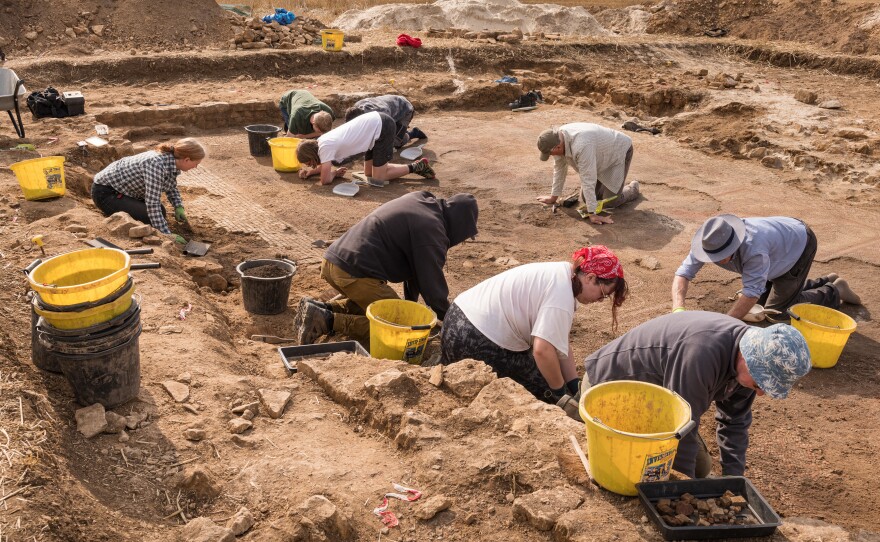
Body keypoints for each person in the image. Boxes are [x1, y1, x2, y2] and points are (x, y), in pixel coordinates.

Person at [568, 311, 811, 478]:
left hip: (657, 397)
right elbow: (680, 429)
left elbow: (734, 423)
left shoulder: (746, 362)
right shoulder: (702, 354)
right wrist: (682, 493)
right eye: (761, 383)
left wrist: (734, 482)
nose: (760, 393)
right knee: (644, 473)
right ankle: (576, 412)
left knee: (700, 467)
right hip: (611, 388)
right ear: (748, 358)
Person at [440, 245, 628, 403]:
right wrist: (560, 395)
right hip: (473, 338)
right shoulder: (561, 295)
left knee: (549, 372)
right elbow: (542, 350)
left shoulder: (562, 274)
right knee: (544, 388)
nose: (601, 300)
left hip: (456, 319)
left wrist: (573, 384)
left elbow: (559, 344)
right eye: (603, 294)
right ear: (591, 278)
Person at [294, 191, 478, 346]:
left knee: (383, 307)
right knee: (398, 325)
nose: (460, 241)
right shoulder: (432, 233)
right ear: (460, 225)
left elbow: (417, 272)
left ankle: (321, 308)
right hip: (354, 273)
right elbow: (433, 289)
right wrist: (452, 321)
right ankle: (328, 321)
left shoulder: (422, 201)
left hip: (334, 263)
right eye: (464, 236)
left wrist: (409, 306)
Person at [672, 214, 862, 321]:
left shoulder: (754, 249)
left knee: (777, 312)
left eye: (722, 256)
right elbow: (683, 274)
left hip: (797, 247)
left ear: (735, 245)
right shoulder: (710, 240)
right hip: (778, 247)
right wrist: (678, 308)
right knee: (759, 306)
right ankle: (825, 280)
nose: (716, 260)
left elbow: (752, 292)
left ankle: (835, 290)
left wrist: (726, 323)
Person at [91, 138, 204, 242]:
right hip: (106, 193)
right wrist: (167, 234)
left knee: (161, 211)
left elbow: (170, 185)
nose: (196, 167)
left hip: (124, 190)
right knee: (148, 217)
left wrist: (178, 206)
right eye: (196, 164)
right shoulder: (156, 164)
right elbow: (152, 203)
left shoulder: (170, 160)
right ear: (187, 159)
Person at [535, 123, 641, 225]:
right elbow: (559, 169)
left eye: (550, 153)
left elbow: (588, 179)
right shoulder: (557, 139)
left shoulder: (581, 146)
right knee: (587, 198)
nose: (551, 156)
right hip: (597, 157)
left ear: (558, 147)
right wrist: (553, 197)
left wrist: (592, 214)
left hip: (617, 151)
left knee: (610, 202)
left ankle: (633, 189)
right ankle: (606, 188)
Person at [296, 111, 435, 186]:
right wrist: (310, 173)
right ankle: (394, 167)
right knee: (368, 173)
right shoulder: (321, 143)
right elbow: (325, 168)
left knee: (379, 177)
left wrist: (334, 174)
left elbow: (325, 180)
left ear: (311, 155)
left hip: (381, 128)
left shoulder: (324, 147)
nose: (310, 165)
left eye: (309, 163)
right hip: (373, 127)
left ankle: (418, 166)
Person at [344, 94, 427, 148]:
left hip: (405, 110)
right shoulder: (357, 108)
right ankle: (401, 132)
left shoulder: (381, 113)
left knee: (394, 143)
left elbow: (386, 130)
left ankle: (413, 133)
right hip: (392, 107)